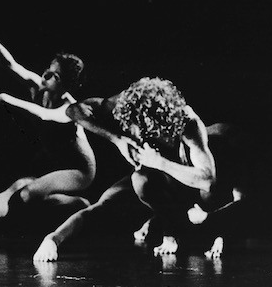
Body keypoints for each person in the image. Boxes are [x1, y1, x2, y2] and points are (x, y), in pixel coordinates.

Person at [33, 77, 247, 261]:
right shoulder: (127, 106)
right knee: (121, 193)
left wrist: (159, 162)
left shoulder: (187, 122)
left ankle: (194, 230)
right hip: (159, 183)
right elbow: (74, 109)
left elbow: (207, 179)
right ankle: (53, 238)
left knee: (208, 199)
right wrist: (117, 139)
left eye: (147, 125)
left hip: (190, 183)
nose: (139, 130)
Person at [0, 39, 94, 251]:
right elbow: (11, 65)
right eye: (47, 71)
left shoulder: (70, 108)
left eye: (54, 76)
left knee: (26, 195)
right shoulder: (39, 87)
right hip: (57, 163)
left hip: (79, 170)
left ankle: (79, 206)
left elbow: (43, 114)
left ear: (65, 85)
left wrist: (3, 98)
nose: (45, 77)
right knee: (19, 185)